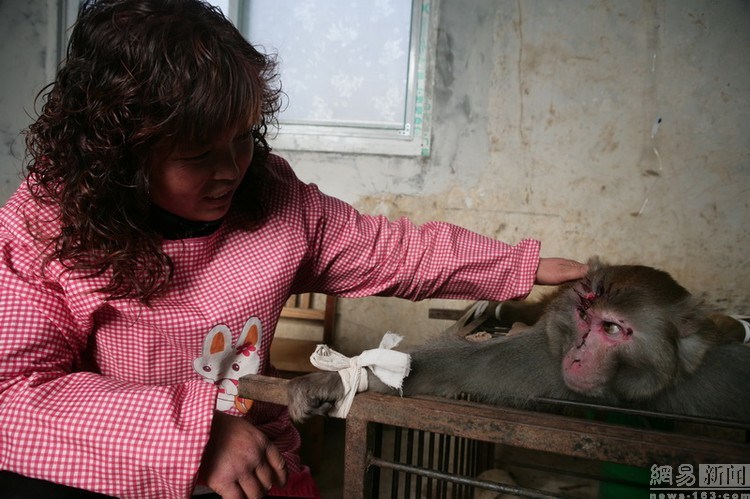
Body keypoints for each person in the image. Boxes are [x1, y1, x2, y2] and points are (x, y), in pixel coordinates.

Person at [0, 1, 588, 498]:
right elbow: (12, 395)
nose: (231, 169)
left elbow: (385, 249)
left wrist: (517, 267)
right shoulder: (44, 230)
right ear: (120, 155)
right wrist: (200, 435)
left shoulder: (274, 199)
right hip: (117, 473)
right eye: (199, 155)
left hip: (261, 459)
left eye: (242, 138)